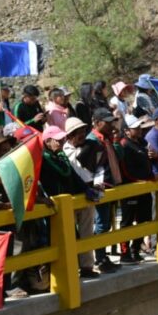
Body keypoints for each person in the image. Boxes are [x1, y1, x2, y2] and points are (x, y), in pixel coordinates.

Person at [78, 109, 123, 272]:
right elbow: (87, 165)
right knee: (102, 223)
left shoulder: (106, 138)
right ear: (97, 123)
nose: (111, 125)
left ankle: (103, 256)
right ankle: (100, 258)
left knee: (106, 222)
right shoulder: (92, 141)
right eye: (108, 122)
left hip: (109, 185)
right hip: (100, 187)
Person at [62, 117, 103, 277]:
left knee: (87, 231)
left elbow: (99, 167)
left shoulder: (91, 147)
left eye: (83, 131)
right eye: (78, 132)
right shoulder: (64, 152)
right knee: (70, 233)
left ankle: (87, 266)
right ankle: (71, 267)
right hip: (70, 196)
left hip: (88, 193)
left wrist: (98, 183)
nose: (82, 135)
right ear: (69, 135)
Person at [118, 117, 156, 263]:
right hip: (131, 190)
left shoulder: (142, 142)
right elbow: (125, 170)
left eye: (140, 127)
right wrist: (139, 181)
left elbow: (149, 162)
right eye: (135, 128)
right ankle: (125, 253)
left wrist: (155, 157)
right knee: (127, 222)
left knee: (144, 220)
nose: (139, 130)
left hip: (145, 188)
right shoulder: (124, 145)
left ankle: (136, 249)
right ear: (127, 130)